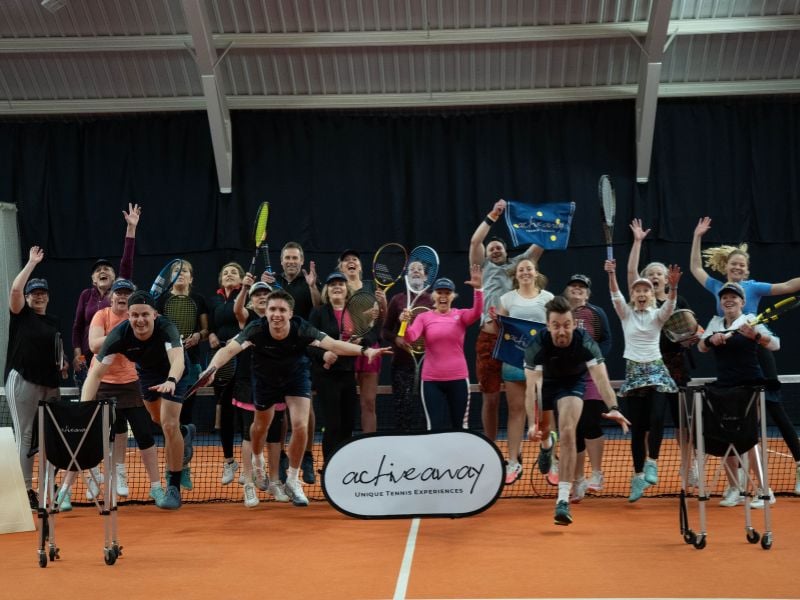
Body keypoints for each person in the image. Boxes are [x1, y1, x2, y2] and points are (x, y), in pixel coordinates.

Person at [200, 289, 390, 507]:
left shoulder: (302, 328)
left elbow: (334, 345)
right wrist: (212, 368)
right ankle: (257, 459)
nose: (276, 314)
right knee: (260, 426)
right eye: (272, 309)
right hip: (264, 379)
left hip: (296, 378)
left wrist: (365, 351)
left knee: (301, 425)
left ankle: (292, 478)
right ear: (266, 312)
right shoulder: (255, 329)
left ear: (291, 313)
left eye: (282, 310)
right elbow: (229, 350)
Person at [691, 216, 800, 494]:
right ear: (726, 267)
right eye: (733, 264)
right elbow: (694, 267)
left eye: (742, 264)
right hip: (731, 360)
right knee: (732, 416)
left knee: (774, 410)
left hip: (757, 354)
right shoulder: (719, 289)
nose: (737, 267)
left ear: (747, 269)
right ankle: (736, 482)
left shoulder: (754, 287)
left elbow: (788, 286)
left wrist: (756, 337)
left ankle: (798, 465)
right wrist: (697, 236)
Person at [56, 278, 165, 509]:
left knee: (145, 436)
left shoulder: (138, 317)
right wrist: (122, 333)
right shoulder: (102, 316)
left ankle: (156, 487)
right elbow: (95, 345)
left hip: (132, 383)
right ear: (111, 296)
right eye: (119, 293)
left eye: (127, 293)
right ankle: (64, 491)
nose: (122, 296)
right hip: (102, 382)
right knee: (86, 437)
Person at [80, 290, 193, 510]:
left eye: (145, 315)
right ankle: (185, 433)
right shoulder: (119, 335)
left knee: (169, 424)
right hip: (148, 374)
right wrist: (84, 408)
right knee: (157, 420)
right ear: (129, 316)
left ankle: (173, 487)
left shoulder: (166, 328)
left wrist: (171, 380)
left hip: (175, 372)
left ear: (154, 315)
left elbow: (178, 360)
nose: (140, 320)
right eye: (134, 315)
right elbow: (95, 374)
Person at [524, 295, 630, 526]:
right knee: (543, 430)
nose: (562, 331)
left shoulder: (585, 342)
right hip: (545, 384)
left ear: (573, 324)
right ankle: (546, 445)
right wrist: (532, 423)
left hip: (572, 385)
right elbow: (533, 388)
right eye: (555, 326)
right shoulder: (537, 345)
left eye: (566, 325)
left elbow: (602, 379)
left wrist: (613, 407)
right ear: (548, 325)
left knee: (569, 431)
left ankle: (562, 500)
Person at [606, 258, 681, 503]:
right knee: (638, 430)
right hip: (634, 372)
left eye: (646, 289)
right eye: (637, 289)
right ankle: (638, 476)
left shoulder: (658, 315)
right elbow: (615, 294)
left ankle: (652, 462)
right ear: (633, 294)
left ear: (651, 295)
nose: (641, 293)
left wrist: (674, 286)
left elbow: (670, 304)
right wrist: (611, 273)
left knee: (658, 418)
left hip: (657, 370)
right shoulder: (625, 314)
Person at [697, 281, 779, 508]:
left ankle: (765, 491)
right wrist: (709, 340)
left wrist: (756, 336)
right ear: (720, 302)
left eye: (734, 297)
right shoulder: (715, 322)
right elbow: (701, 348)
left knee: (750, 439)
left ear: (742, 302)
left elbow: (775, 345)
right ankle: (735, 488)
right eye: (725, 297)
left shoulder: (752, 320)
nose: (729, 300)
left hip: (750, 387)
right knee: (725, 437)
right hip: (724, 388)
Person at [468, 199, 543, 443]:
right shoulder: (482, 266)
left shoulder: (518, 267)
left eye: (499, 247)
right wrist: (494, 215)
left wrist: (553, 221)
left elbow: (539, 245)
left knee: (522, 398)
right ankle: (490, 446)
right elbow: (475, 241)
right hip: (489, 339)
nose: (496, 249)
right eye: (492, 248)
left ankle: (527, 444)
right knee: (490, 398)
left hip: (515, 340)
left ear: (506, 251)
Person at [5, 247, 66, 509]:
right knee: (26, 436)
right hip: (23, 382)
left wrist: (63, 363)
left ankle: (46, 486)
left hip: (50, 385)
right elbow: (15, 291)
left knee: (48, 438)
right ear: (28, 298)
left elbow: (55, 348)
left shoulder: (53, 321)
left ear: (48, 297)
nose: (38, 296)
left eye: (42, 293)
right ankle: (24, 489)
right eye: (34, 293)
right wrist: (31, 263)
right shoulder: (21, 315)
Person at [263, 242, 321, 484]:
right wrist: (264, 286)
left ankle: (306, 456)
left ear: (301, 260)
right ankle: (286, 456)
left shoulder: (309, 284)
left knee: (306, 409)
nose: (291, 261)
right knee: (281, 410)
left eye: (295, 258)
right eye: (287, 257)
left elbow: (319, 308)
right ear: (281, 260)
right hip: (277, 354)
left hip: (305, 353)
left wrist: (313, 287)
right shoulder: (273, 284)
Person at [400, 266, 483, 431]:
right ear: (434, 296)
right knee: (434, 429)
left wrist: (479, 289)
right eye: (440, 292)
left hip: (458, 379)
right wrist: (404, 322)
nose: (443, 296)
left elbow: (477, 312)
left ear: (452, 296)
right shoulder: (424, 317)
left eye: (447, 293)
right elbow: (410, 337)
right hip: (431, 381)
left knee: (460, 428)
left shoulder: (461, 315)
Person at [232, 278, 290, 507]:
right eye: (257, 295)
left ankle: (275, 481)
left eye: (265, 294)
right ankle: (249, 484)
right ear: (251, 300)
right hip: (248, 384)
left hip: (275, 384)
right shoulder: (248, 319)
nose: (261, 297)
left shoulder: (277, 321)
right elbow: (237, 309)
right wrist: (245, 288)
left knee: (275, 436)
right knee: (249, 434)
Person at [309, 272, 379, 462]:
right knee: (333, 425)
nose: (337, 287)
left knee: (348, 424)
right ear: (327, 291)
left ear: (347, 289)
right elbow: (308, 342)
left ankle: (345, 467)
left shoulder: (355, 313)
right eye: (332, 285)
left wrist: (361, 340)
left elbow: (372, 336)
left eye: (340, 284)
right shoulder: (318, 313)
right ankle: (329, 467)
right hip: (326, 376)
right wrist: (324, 354)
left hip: (348, 375)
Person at [495, 258, 553, 485]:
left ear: (536, 273)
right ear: (515, 275)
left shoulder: (547, 298)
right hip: (513, 362)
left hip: (541, 365)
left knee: (545, 413)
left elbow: (554, 326)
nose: (525, 272)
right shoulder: (506, 299)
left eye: (529, 268)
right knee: (515, 411)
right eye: (521, 269)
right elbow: (501, 329)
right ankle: (513, 462)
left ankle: (551, 457)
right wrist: (495, 320)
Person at [71, 203, 141, 386]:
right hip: (90, 359)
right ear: (93, 279)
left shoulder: (120, 292)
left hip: (120, 362)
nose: (103, 271)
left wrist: (131, 228)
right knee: (91, 407)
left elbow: (127, 260)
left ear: (115, 276)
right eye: (98, 270)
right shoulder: (86, 295)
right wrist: (78, 355)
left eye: (107, 269)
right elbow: (77, 327)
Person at [562, 274, 613, 501]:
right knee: (574, 430)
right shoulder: (560, 312)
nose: (577, 289)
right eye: (573, 286)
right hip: (567, 376)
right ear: (566, 290)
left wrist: (593, 359)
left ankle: (596, 474)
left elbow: (606, 340)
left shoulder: (596, 313)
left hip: (591, 375)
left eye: (582, 287)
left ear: (588, 293)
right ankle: (578, 480)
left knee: (590, 422)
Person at [338, 249, 387, 435]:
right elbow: (335, 316)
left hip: (370, 349)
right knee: (346, 403)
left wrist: (383, 304)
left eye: (355, 260)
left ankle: (370, 445)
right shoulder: (338, 287)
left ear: (360, 266)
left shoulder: (372, 286)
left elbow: (383, 320)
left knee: (368, 403)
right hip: (346, 349)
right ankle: (345, 445)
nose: (351, 262)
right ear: (341, 267)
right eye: (346, 260)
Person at [381, 260, 434, 431]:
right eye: (412, 269)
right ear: (407, 276)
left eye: (420, 269)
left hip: (428, 365)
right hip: (401, 365)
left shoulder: (433, 300)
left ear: (426, 276)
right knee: (403, 408)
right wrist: (397, 339)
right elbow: (385, 331)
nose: (416, 271)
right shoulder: (397, 300)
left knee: (426, 407)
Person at [155, 260, 209, 428]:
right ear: (171, 277)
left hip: (191, 361)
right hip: (167, 361)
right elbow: (155, 330)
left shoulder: (199, 300)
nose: (180, 273)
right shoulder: (162, 300)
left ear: (191, 278)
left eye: (184, 270)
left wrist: (198, 336)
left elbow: (206, 331)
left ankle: (185, 445)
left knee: (186, 410)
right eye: (176, 270)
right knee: (168, 412)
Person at [207, 262, 246, 485]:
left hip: (242, 359)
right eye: (225, 272)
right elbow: (211, 324)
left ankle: (247, 462)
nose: (229, 274)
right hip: (221, 361)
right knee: (226, 414)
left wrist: (238, 340)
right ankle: (229, 461)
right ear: (221, 280)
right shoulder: (215, 299)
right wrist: (211, 335)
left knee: (244, 413)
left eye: (233, 272)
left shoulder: (245, 296)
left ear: (241, 279)